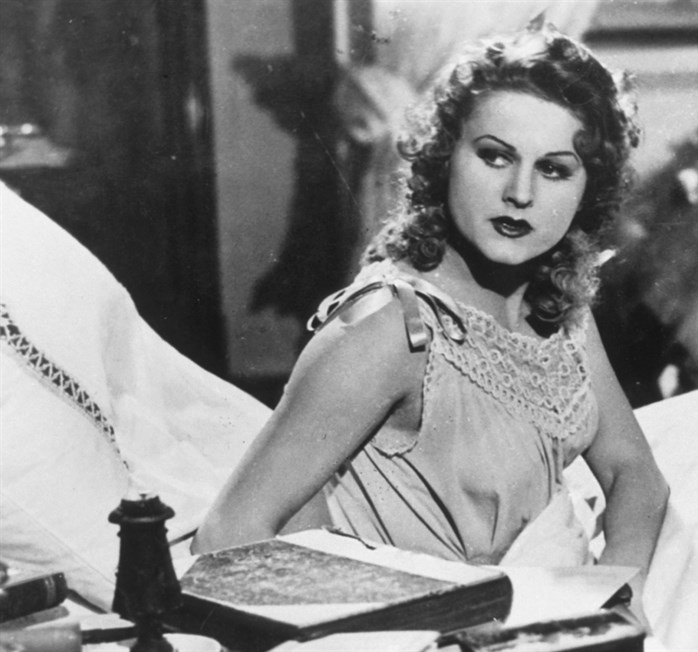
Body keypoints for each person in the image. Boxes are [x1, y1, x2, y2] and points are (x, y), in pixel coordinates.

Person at [193, 19, 669, 621]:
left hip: (544, 619)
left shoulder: (560, 308)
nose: (520, 193)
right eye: (495, 156)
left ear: (587, 189)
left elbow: (635, 475)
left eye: (553, 169)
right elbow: (228, 534)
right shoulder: (390, 326)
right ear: (446, 159)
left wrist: (620, 593)